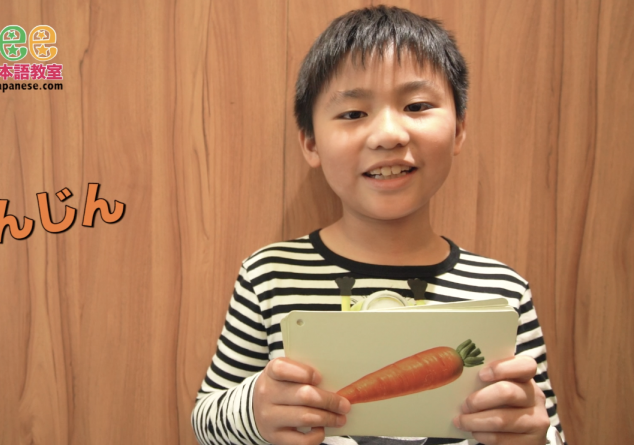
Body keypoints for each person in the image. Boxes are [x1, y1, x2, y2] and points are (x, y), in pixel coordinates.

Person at [191, 6, 565, 445]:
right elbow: (204, 422)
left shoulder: (502, 291)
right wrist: (256, 411)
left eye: (417, 106)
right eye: (353, 113)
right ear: (311, 142)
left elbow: (545, 426)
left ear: (460, 129)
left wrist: (534, 436)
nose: (389, 135)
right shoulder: (270, 275)